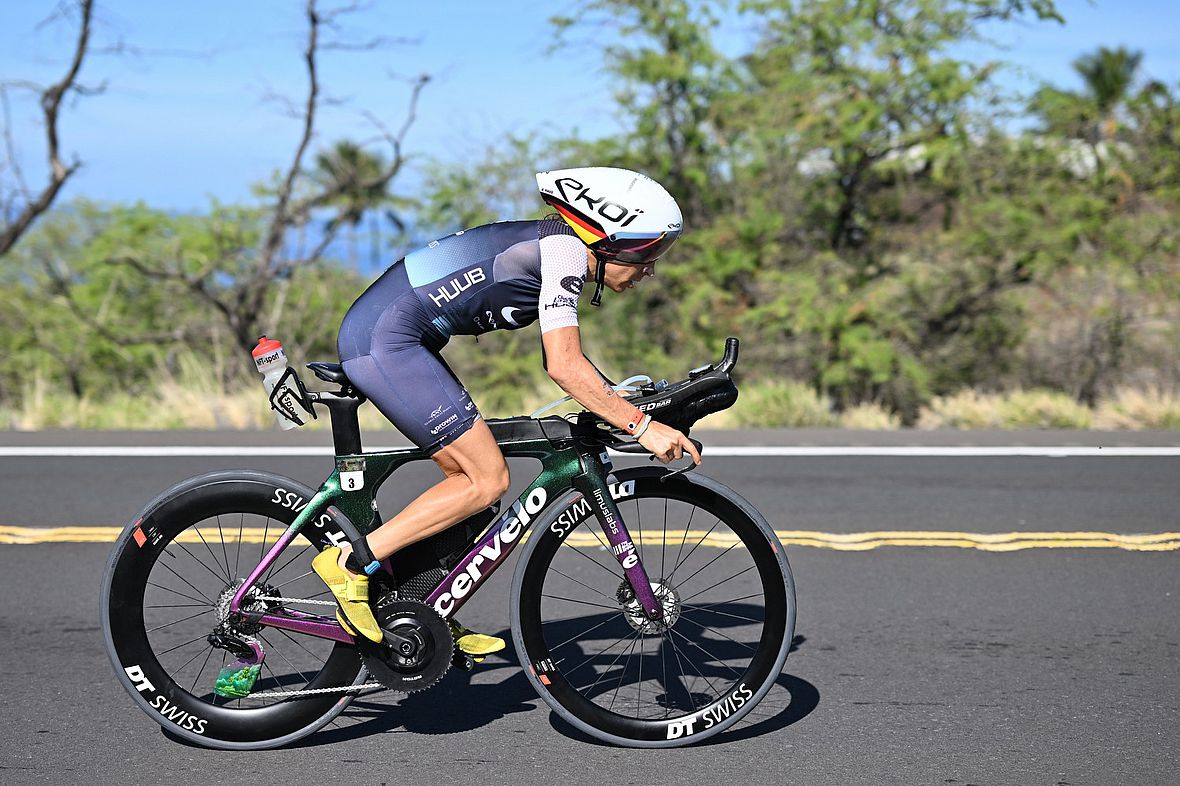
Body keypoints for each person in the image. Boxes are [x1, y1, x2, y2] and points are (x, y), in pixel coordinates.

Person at [312, 167, 701, 657]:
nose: (650, 270)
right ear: (607, 237)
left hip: (399, 337)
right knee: (486, 479)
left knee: (467, 489)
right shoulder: (563, 253)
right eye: (647, 254)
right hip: (386, 340)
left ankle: (416, 607)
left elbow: (575, 369)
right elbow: (563, 365)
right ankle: (349, 564)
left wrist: (623, 405)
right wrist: (641, 427)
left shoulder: (557, 245)